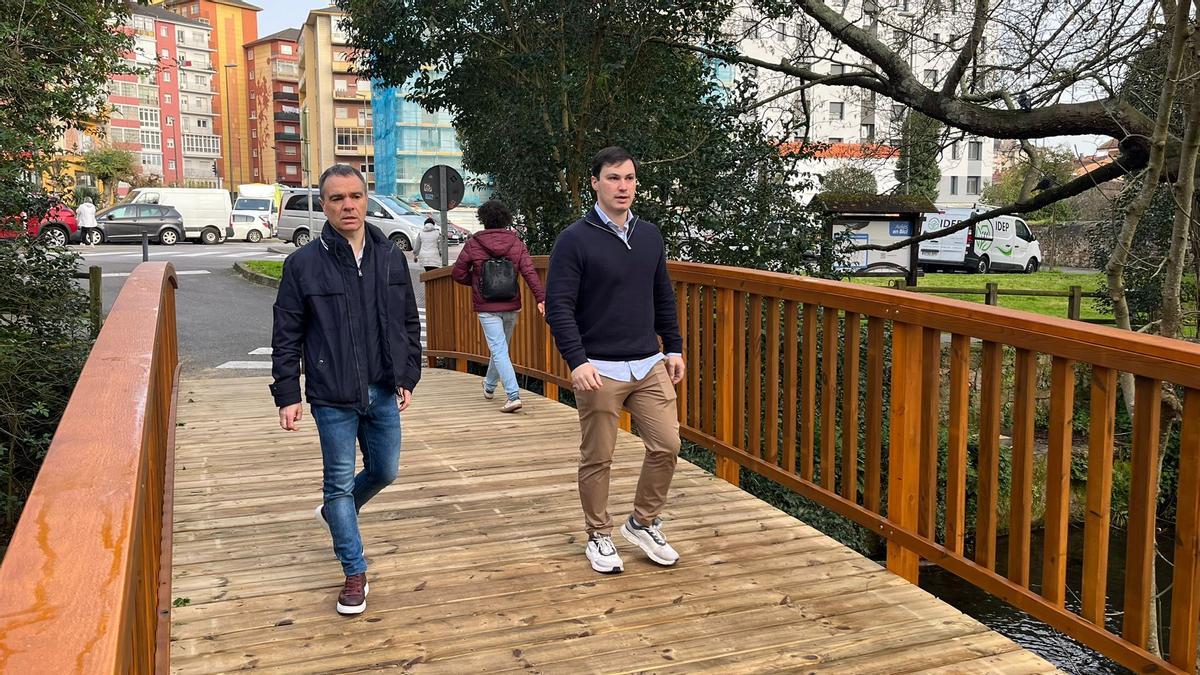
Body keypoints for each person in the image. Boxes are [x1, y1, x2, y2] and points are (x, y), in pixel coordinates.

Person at [269, 164, 422, 615]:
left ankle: (336, 513)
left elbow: (407, 321)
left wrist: (407, 375)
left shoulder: (390, 256)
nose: (348, 205)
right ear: (324, 205)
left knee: (385, 471)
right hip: (331, 392)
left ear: (366, 199)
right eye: (337, 198)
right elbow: (286, 334)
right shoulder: (303, 265)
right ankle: (354, 571)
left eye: (355, 196)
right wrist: (287, 394)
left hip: (382, 387)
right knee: (336, 483)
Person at [546, 146, 686, 575]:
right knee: (598, 456)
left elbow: (662, 295)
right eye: (613, 178)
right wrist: (577, 360)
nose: (622, 186)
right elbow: (559, 307)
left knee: (667, 445)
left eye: (629, 178)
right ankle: (598, 534)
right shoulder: (574, 240)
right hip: (599, 368)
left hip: (648, 362)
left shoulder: (649, 236)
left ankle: (642, 522)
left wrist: (674, 347)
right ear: (595, 183)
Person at [451, 199, 546, 413]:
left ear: (483, 219)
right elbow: (529, 272)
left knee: (499, 349)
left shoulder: (474, 244)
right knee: (500, 349)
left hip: (487, 306)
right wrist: (540, 298)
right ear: (506, 219)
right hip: (511, 304)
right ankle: (489, 386)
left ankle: (513, 396)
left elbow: (458, 273)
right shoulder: (516, 243)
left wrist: (478, 282)